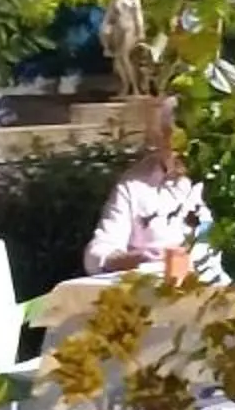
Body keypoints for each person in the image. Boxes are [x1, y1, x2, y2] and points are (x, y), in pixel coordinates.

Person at [83, 101, 220, 280]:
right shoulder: (135, 184)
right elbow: (97, 253)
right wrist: (128, 259)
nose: (186, 154)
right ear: (160, 139)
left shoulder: (228, 178)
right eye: (176, 145)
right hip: (152, 290)